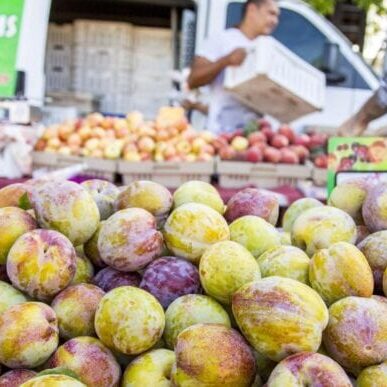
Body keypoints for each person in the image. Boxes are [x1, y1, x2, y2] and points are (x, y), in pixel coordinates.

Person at [187, 0, 279, 134]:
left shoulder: (268, 49)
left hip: (257, 137)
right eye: (271, 13)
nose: (275, 21)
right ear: (252, 9)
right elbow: (193, 80)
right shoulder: (221, 39)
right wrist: (226, 61)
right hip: (221, 133)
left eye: (277, 16)